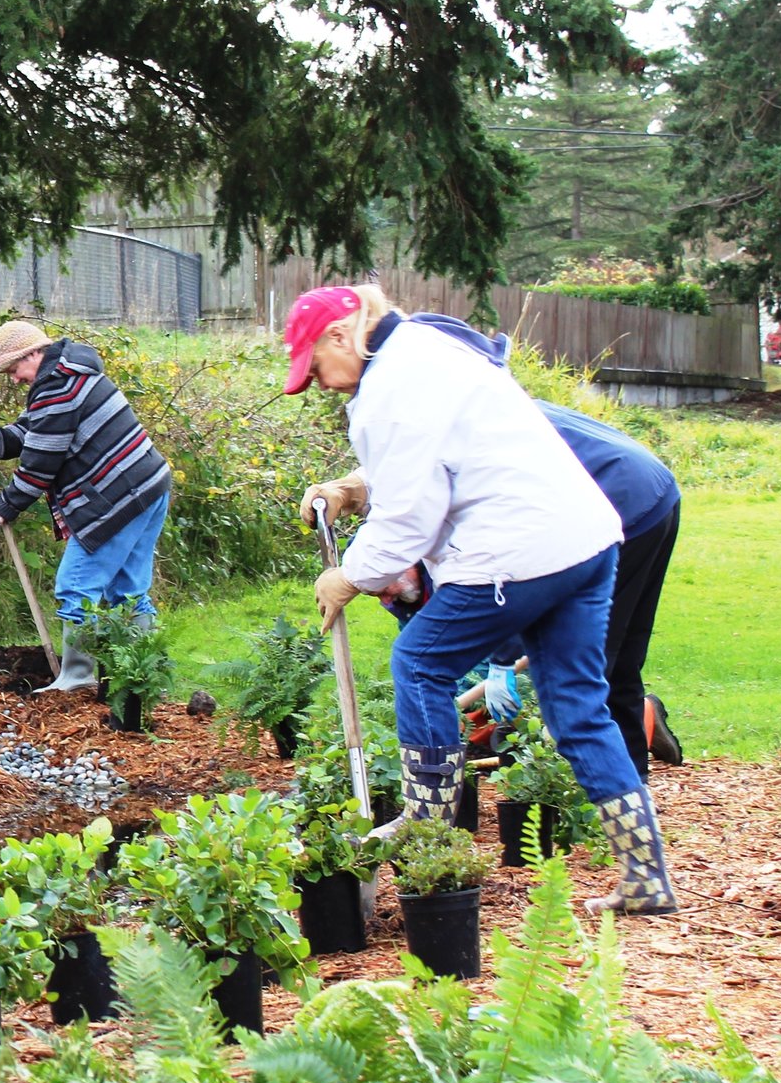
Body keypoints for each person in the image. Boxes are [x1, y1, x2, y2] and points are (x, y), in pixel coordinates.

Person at [283, 283, 676, 916]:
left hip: (517, 550)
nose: (323, 384)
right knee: (578, 710)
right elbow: (438, 460)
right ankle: (646, 876)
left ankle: (427, 822)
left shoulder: (387, 390)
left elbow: (409, 517)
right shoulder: (430, 344)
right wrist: (355, 491)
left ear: (338, 336)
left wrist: (347, 576)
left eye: (317, 369)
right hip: (585, 539)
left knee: (419, 661)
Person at [303, 328, 685, 776]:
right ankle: (631, 770)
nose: (389, 595)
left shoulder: (424, 437)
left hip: (619, 500)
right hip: (652, 492)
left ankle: (601, 798)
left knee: (585, 676)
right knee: (613, 661)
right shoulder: (452, 403)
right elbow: (413, 465)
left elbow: (511, 564)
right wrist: (351, 488)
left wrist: (503, 663)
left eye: (387, 586)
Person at [0, 318, 173, 692]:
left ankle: (77, 680)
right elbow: (33, 431)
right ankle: (145, 679)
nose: (14, 379)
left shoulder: (57, 386)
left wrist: (7, 503)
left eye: (14, 369)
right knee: (128, 591)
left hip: (118, 497)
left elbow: (41, 462)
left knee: (76, 586)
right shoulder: (68, 373)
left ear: (33, 353)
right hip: (149, 486)